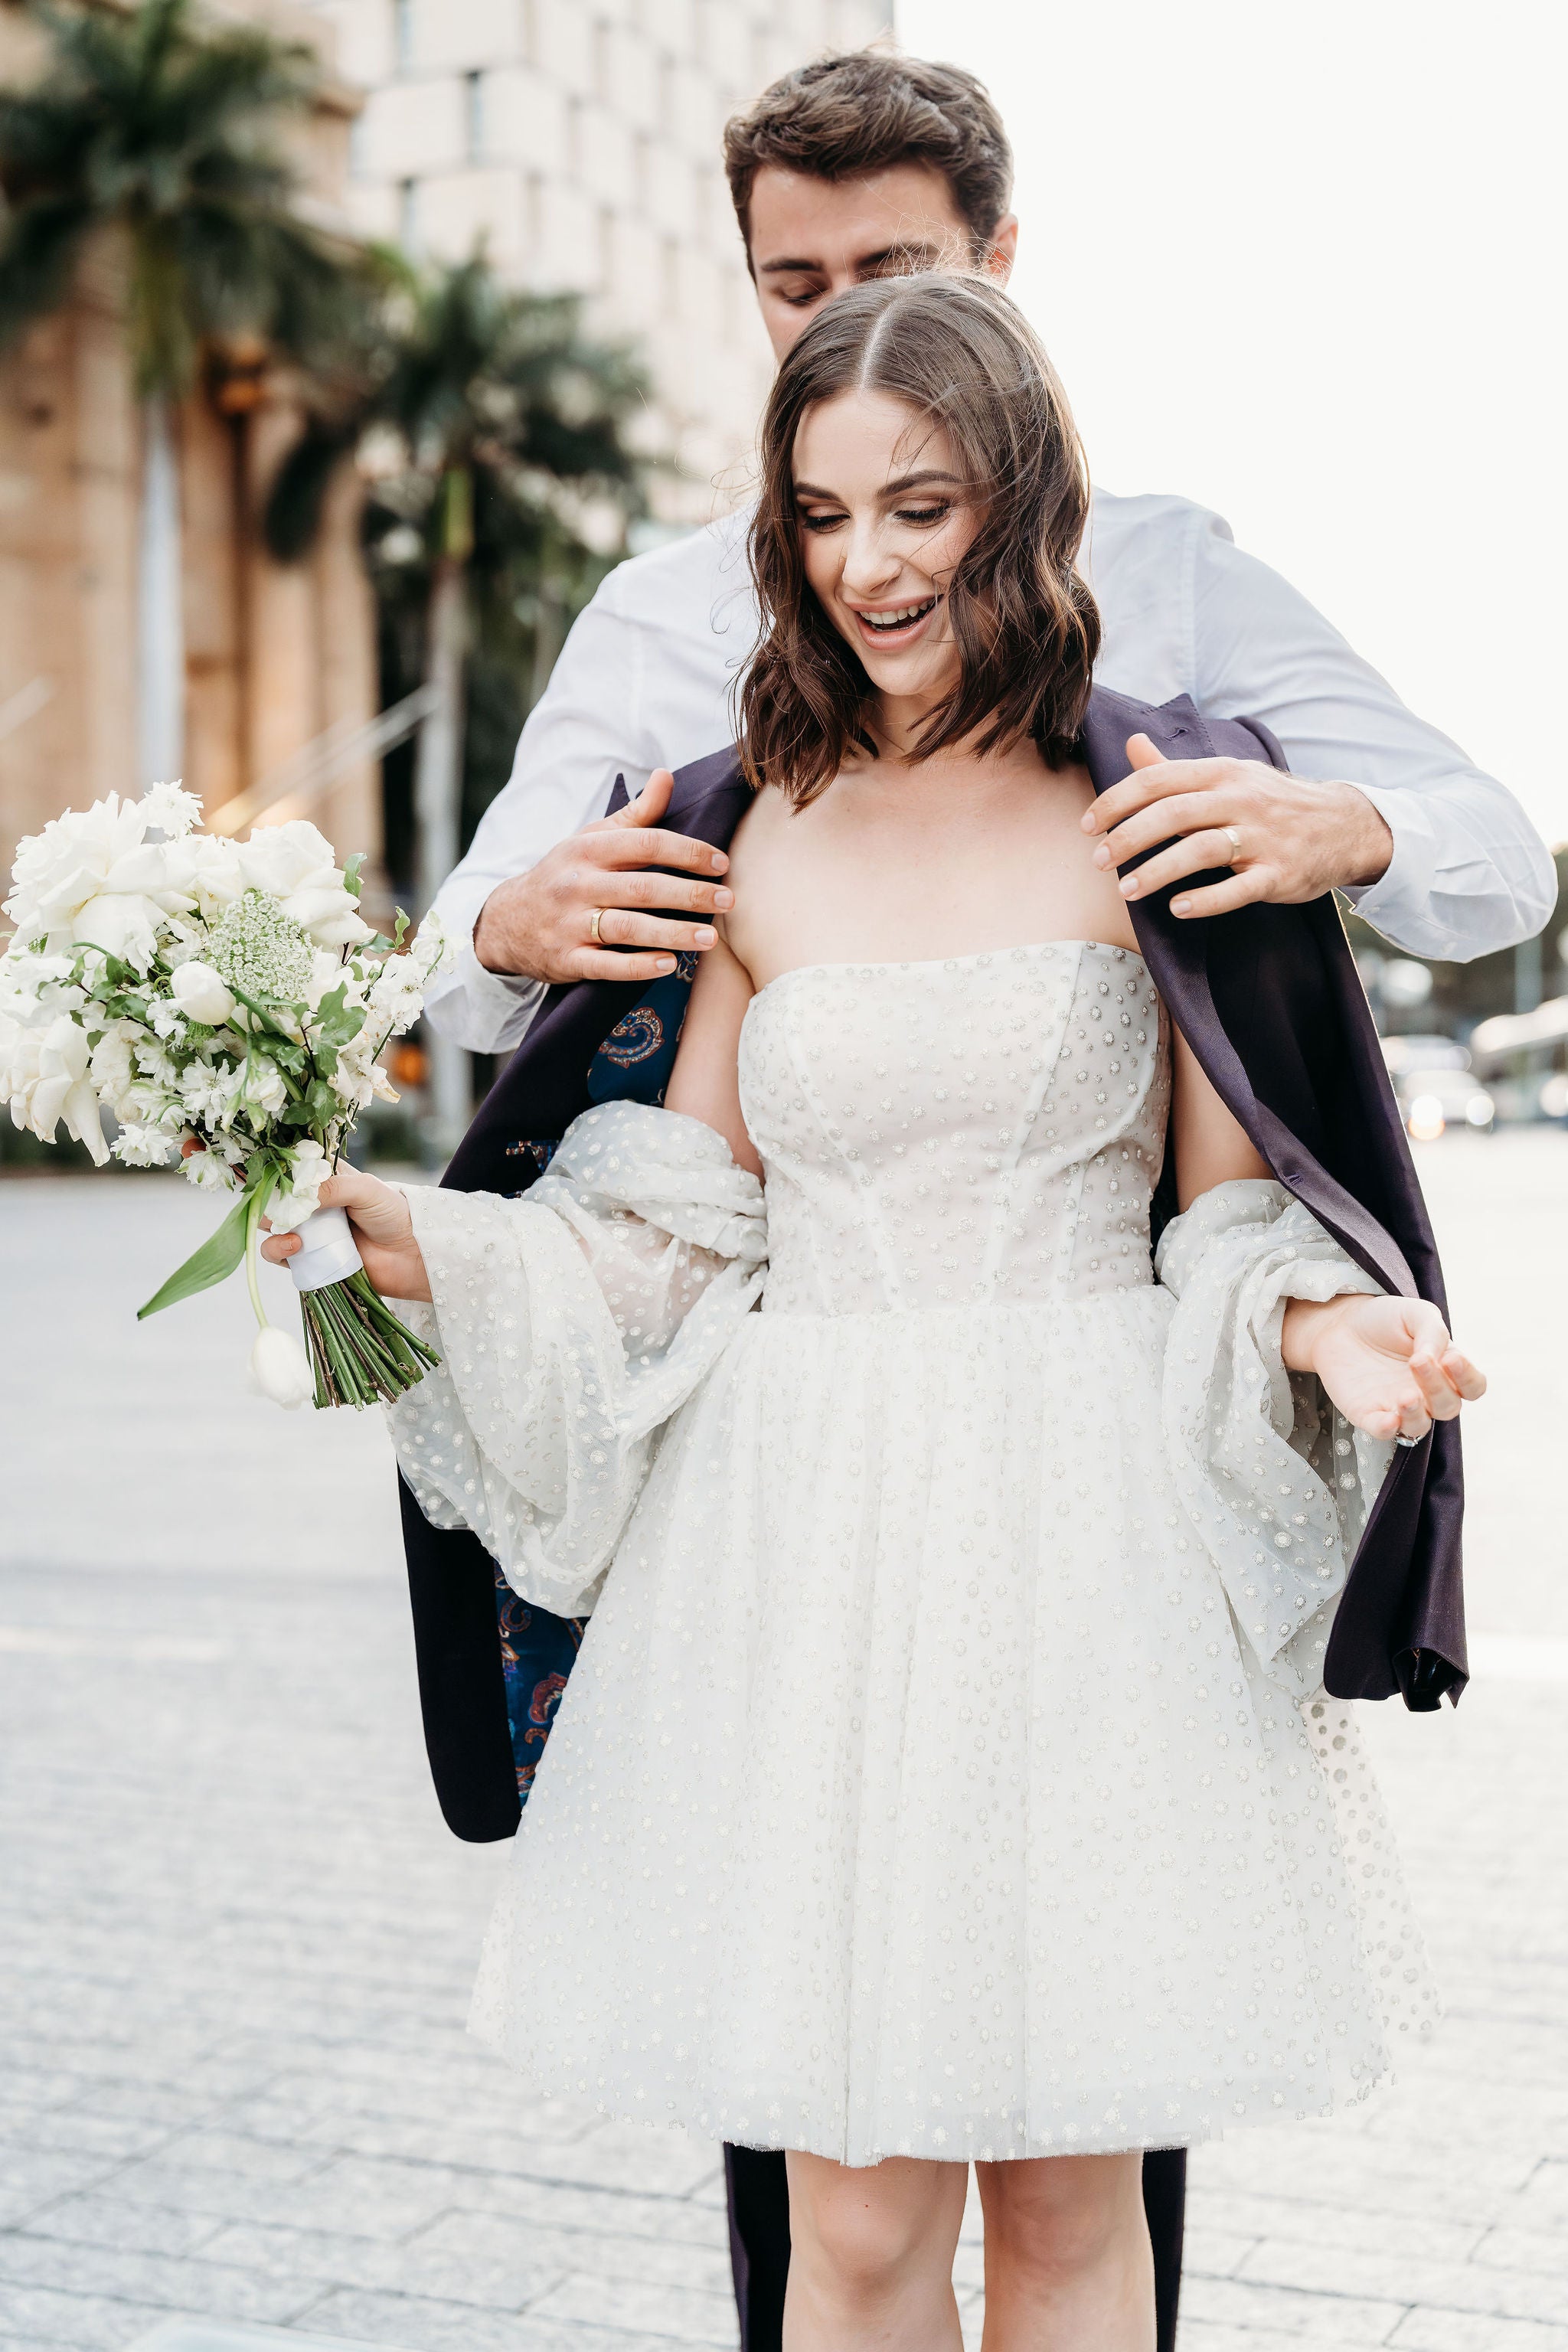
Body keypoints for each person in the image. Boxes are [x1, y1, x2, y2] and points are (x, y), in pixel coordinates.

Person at [403, 51, 1547, 2348]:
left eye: (896, 279)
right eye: (793, 296)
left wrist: (1337, 849)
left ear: (1003, 297)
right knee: (828, 2210)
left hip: (1085, 1527)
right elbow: (596, 1114)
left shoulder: (1175, 697)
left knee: (1077, 2192)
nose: (870, 557)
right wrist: (472, 1001)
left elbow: (1450, 883)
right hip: (798, 1550)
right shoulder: (698, 709)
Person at [422, 49, 1553, 1063]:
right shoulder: (650, 615)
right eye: (796, 287)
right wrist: (507, 928)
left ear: (997, 260)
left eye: (892, 271)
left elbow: (1507, 867)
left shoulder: (1172, 573)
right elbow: (449, 977)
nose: (842, 324)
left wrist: (1350, 828)